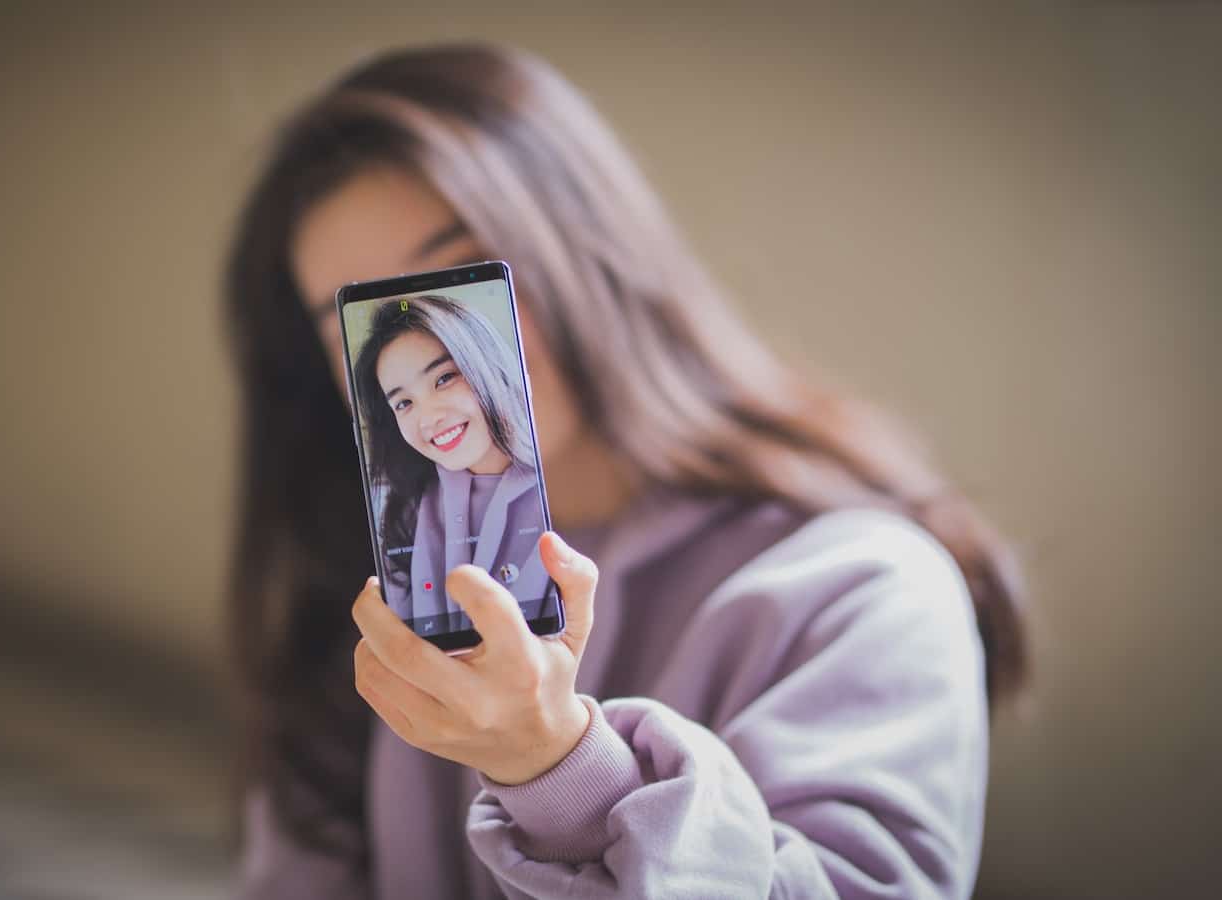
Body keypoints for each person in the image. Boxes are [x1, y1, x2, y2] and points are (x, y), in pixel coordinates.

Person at [224, 43, 1027, 899]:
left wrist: (559, 772)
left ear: (590, 246)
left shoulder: (861, 588)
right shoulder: (379, 595)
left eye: (466, 279)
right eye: (361, 322)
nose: (424, 358)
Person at [349, 294, 554, 626]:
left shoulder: (562, 486)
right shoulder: (403, 511)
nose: (429, 418)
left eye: (443, 379)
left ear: (484, 364)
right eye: (403, 403)